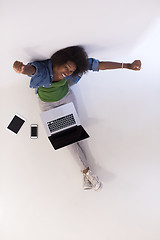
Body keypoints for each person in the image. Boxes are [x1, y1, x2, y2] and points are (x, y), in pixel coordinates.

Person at [13, 46, 141, 191]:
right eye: (66, 67)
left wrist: (128, 66)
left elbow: (99, 65)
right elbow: (32, 70)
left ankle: (87, 175)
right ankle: (87, 173)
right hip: (47, 105)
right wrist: (23, 69)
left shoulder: (70, 72)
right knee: (65, 139)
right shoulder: (43, 68)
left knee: (75, 133)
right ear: (58, 61)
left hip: (66, 99)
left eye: (71, 71)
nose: (67, 73)